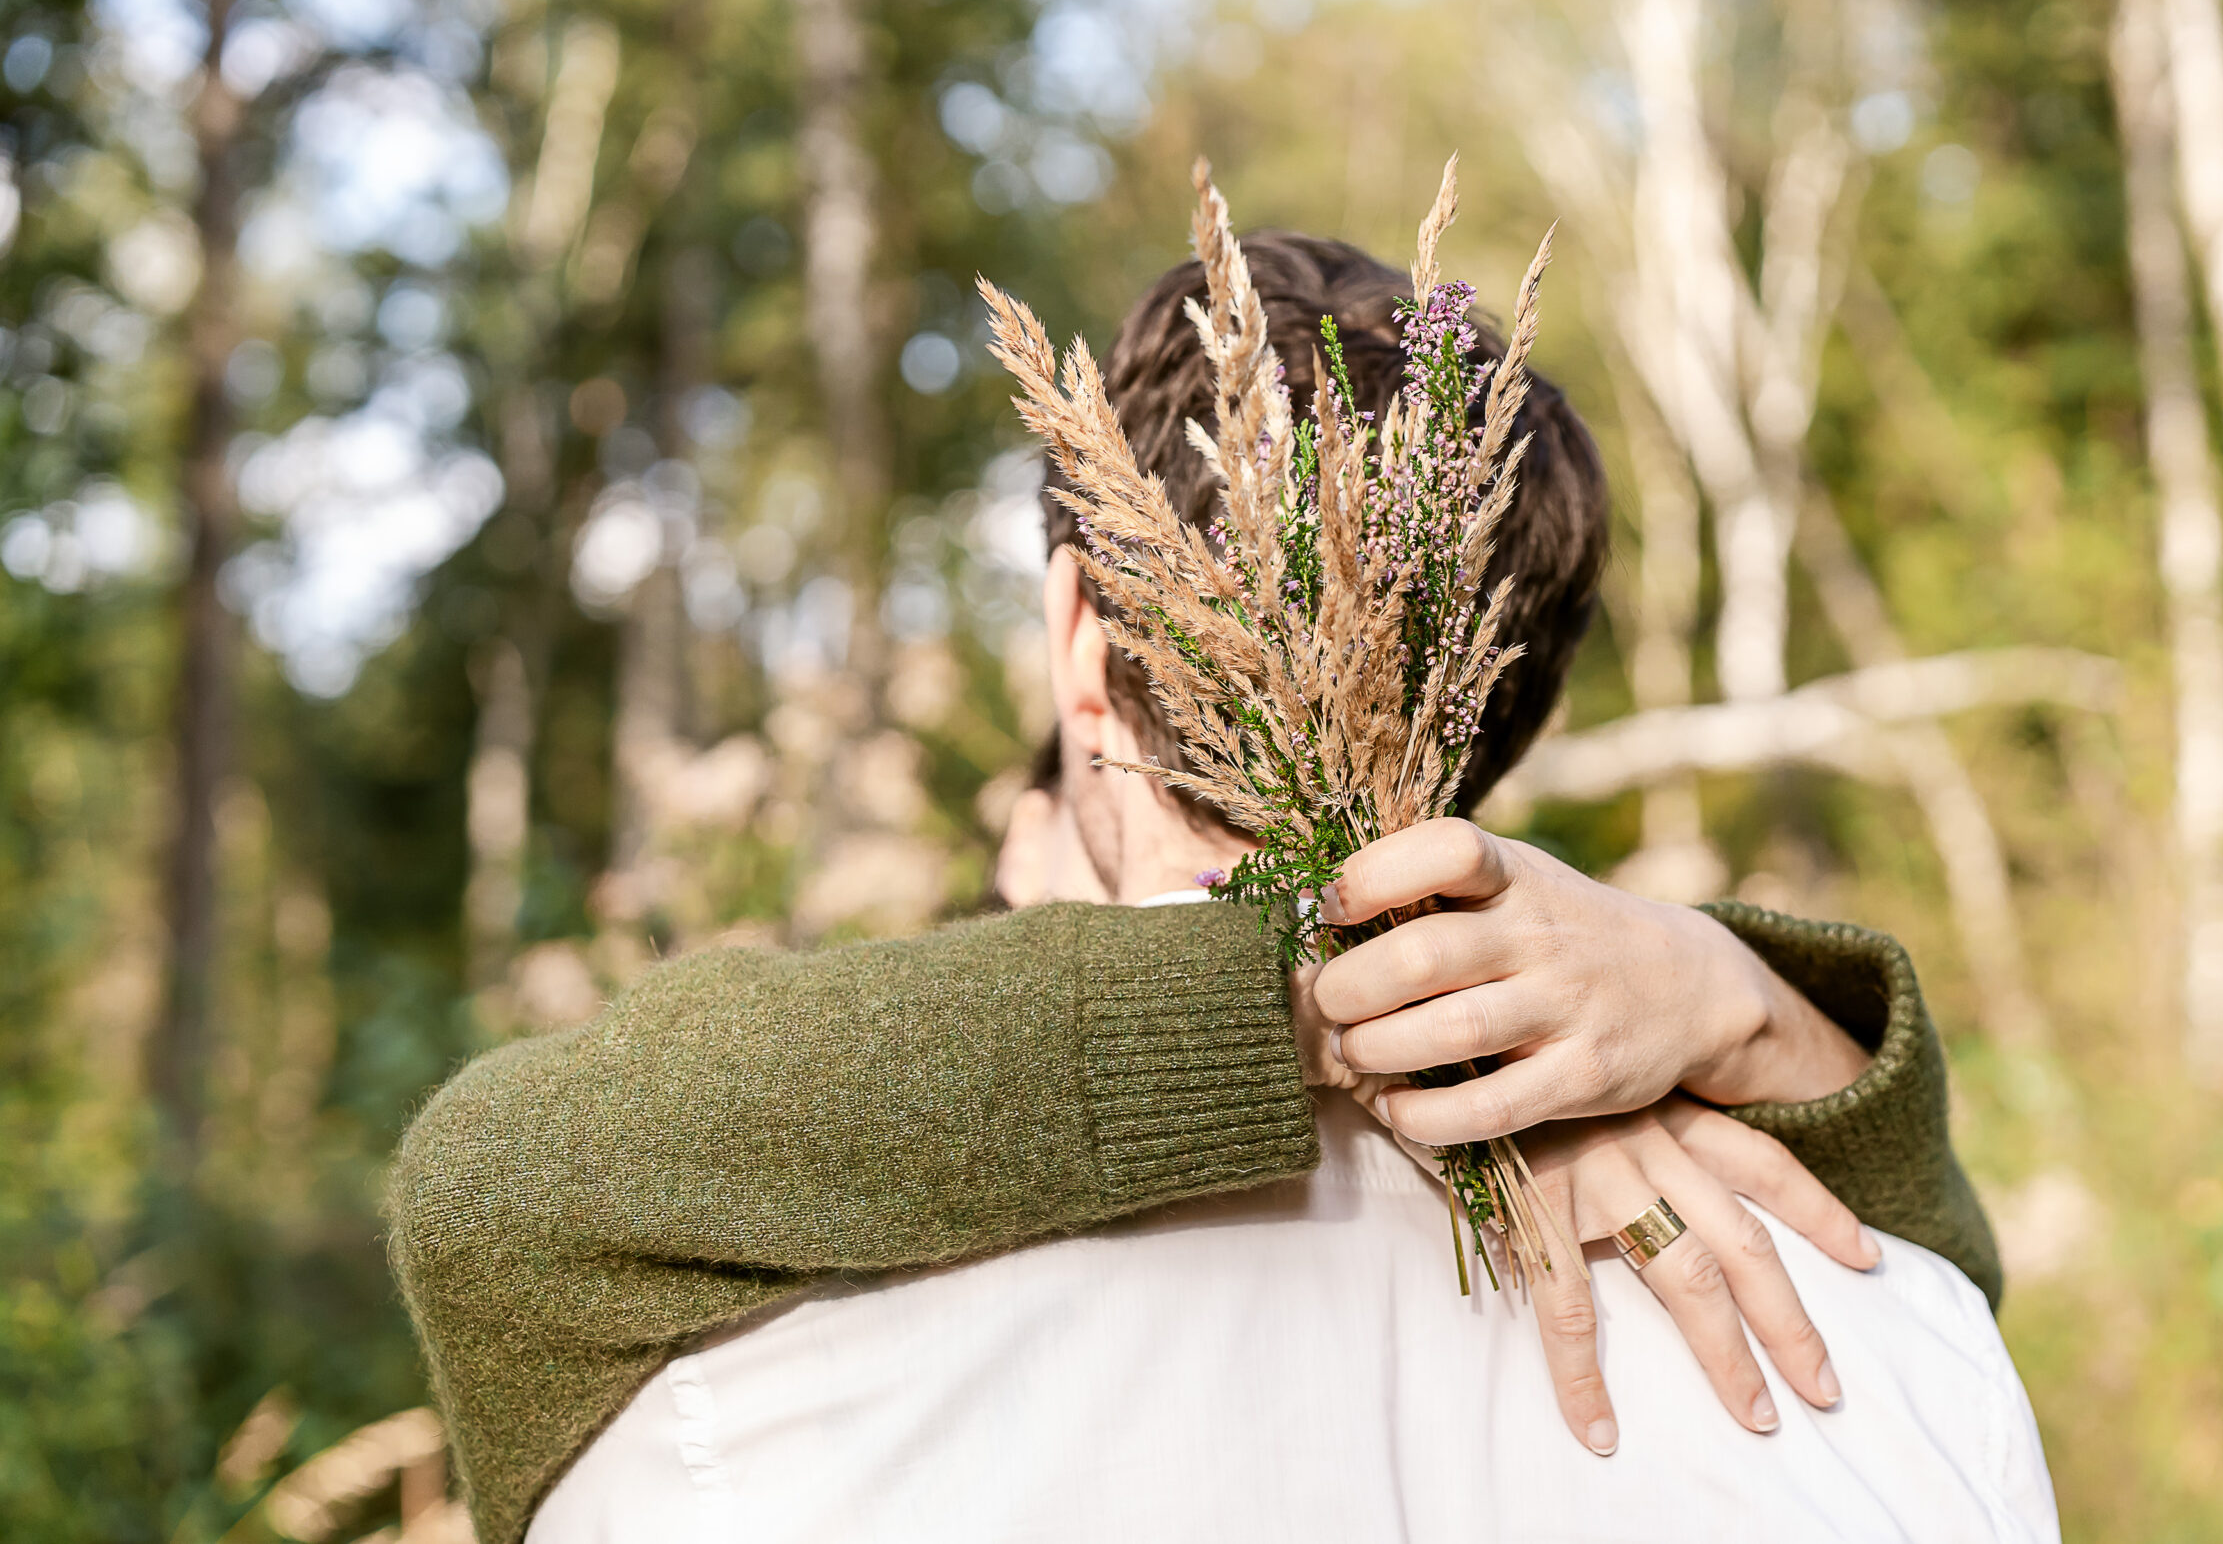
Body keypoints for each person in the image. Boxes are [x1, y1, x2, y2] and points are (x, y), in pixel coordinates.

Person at [389, 234, 2049, 1544]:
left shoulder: (732, 1327)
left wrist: (1337, 995)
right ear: (1510, 707)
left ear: (1075, 647)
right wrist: (1742, 1006)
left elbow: (483, 1184)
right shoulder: (1878, 1321)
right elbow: (1939, 1273)